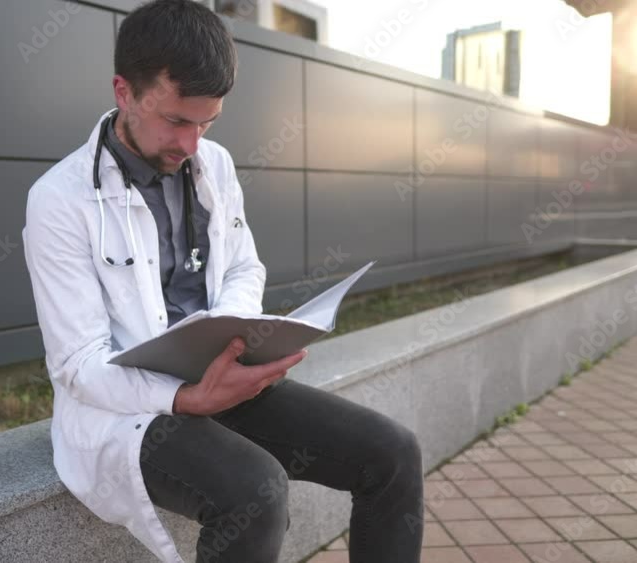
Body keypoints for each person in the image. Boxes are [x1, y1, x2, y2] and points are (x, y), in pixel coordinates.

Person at [22, 1, 423, 561]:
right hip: (128, 409)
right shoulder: (59, 201)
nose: (191, 146)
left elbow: (242, 266)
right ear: (123, 92)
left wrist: (234, 333)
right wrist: (186, 397)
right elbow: (77, 364)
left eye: (207, 122)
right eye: (177, 121)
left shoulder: (215, 164)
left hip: (222, 375)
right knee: (255, 492)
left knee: (393, 452)